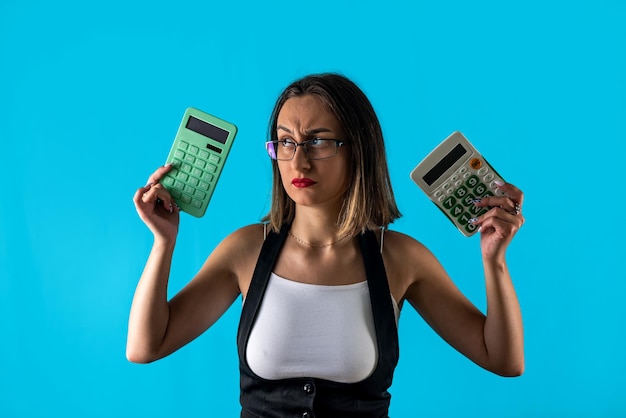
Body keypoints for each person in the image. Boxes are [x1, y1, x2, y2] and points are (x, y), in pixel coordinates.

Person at [127, 73, 525, 418]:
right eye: (285, 143)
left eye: (317, 142)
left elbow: (503, 359)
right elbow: (146, 346)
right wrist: (163, 243)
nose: (298, 163)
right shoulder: (245, 250)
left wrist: (495, 262)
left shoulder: (402, 258)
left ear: (359, 149)